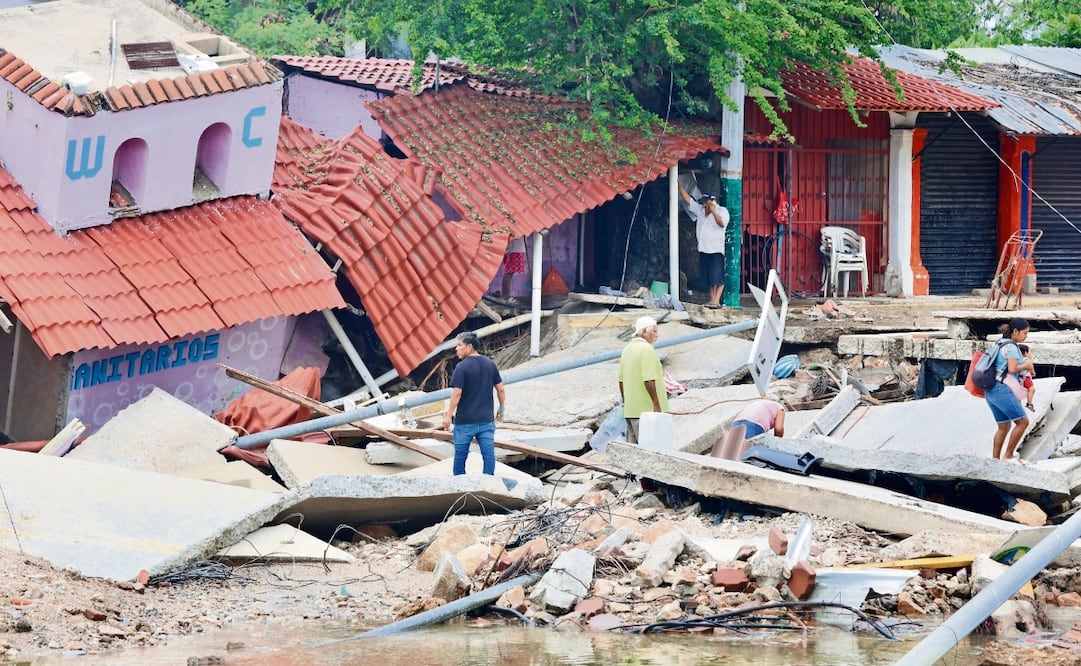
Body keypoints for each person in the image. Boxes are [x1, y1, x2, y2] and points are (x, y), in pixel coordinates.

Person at [441, 332, 506, 475]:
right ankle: (488, 484)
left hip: (465, 421)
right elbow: (500, 389)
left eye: (459, 345)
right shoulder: (490, 364)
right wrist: (501, 408)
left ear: (469, 347)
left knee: (460, 457)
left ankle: (460, 485)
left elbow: (456, 393)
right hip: (486, 420)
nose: (456, 349)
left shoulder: (462, 367)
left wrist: (448, 416)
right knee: (488, 455)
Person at [984, 317, 1035, 462]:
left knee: (1003, 426)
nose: (1026, 336)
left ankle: (995, 460)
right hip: (1002, 390)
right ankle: (1008, 455)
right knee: (1023, 422)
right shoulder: (1012, 347)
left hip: (991, 389)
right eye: (1024, 333)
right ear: (1015, 331)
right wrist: (1026, 366)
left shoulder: (999, 343)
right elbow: (1012, 369)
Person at [678, 181, 729, 309]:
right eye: (704, 203)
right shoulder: (701, 211)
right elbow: (688, 200)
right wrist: (679, 186)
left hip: (716, 250)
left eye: (706, 202)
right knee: (710, 278)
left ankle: (716, 301)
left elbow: (721, 224)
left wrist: (713, 211)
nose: (704, 205)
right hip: (704, 249)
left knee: (718, 277)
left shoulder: (722, 211)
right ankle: (713, 300)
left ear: (713, 201)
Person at [617, 316, 668, 444]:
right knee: (652, 449)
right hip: (646, 412)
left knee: (633, 451)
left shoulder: (627, 349)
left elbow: (621, 380)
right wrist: (656, 404)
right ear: (644, 332)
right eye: (654, 331)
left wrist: (625, 401)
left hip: (630, 410)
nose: (657, 335)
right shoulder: (647, 349)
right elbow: (648, 379)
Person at [1003, 343, 1036, 411]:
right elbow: (1031, 370)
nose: (1031, 354)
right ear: (1026, 353)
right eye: (1030, 352)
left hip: (1018, 379)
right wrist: (1032, 372)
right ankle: (1029, 403)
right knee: (1032, 389)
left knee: (1017, 394)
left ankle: (1018, 405)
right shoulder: (1027, 360)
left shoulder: (1016, 360)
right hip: (1025, 378)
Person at [500, 236, 527, 300]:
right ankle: (505, 295)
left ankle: (505, 294)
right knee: (509, 272)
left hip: (514, 248)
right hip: (514, 249)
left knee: (509, 272)